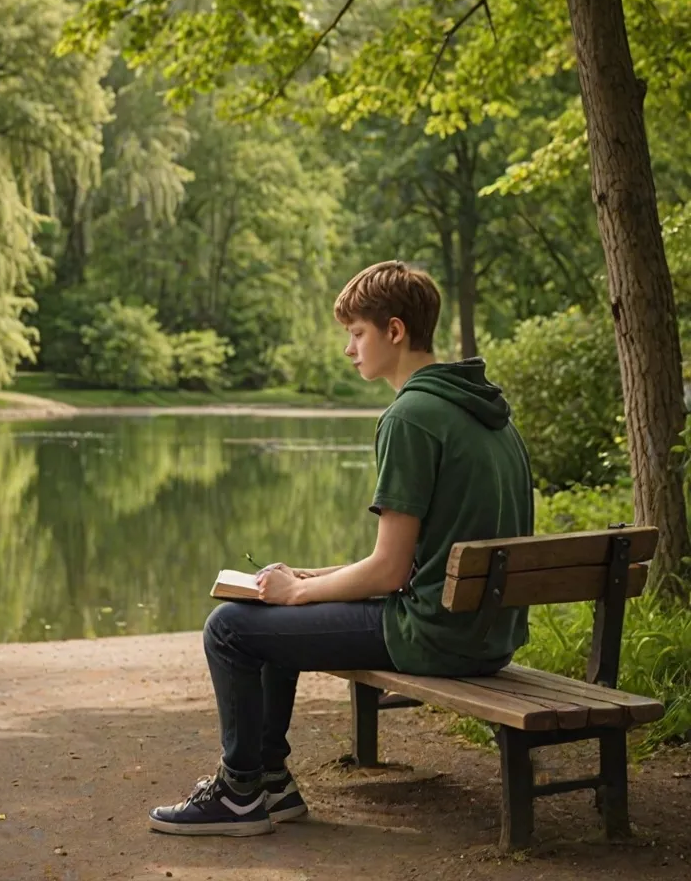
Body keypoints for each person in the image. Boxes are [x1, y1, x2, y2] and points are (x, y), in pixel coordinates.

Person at [148, 260, 534, 837]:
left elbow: (388, 570)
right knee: (269, 609)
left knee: (229, 627)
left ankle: (238, 792)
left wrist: (301, 591)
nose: (349, 350)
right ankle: (271, 783)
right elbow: (415, 561)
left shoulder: (410, 417)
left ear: (395, 331)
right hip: (488, 634)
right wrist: (306, 578)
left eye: (357, 333)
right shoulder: (486, 412)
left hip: (436, 636)